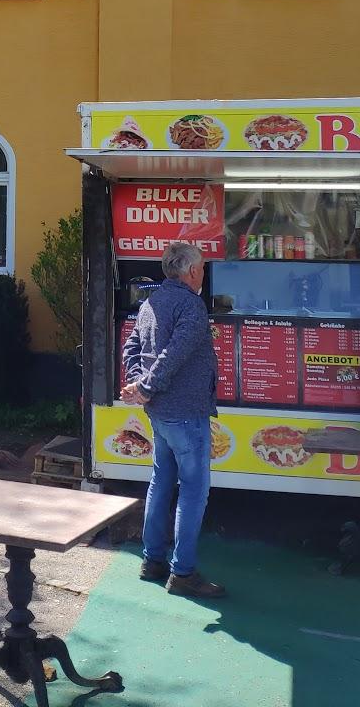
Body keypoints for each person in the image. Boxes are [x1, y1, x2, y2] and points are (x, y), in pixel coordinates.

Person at [122, 240, 226, 599]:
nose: (203, 274)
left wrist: (138, 383)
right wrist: (146, 387)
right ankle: (182, 573)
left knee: (160, 482)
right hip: (185, 414)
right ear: (193, 271)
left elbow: (131, 346)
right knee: (193, 492)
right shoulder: (192, 306)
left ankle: (152, 561)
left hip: (161, 414)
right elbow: (175, 354)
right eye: (202, 269)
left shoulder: (151, 302)